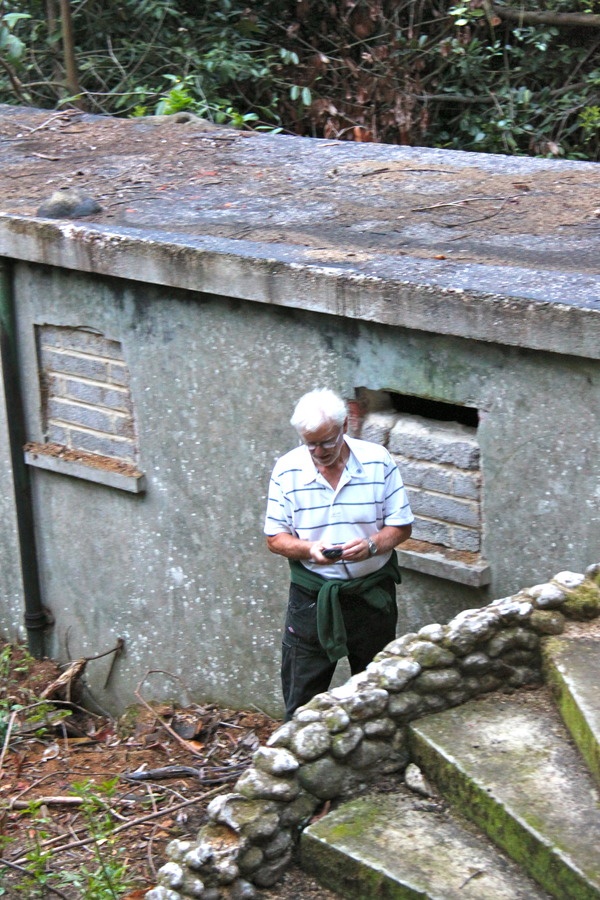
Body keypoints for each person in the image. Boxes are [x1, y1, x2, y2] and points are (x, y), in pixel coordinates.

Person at [264, 388, 414, 720]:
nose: (318, 451)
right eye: (310, 443)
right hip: (312, 597)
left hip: (370, 595)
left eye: (326, 442)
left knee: (376, 691)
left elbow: (402, 527)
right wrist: (309, 549)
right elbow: (274, 538)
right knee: (301, 698)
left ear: (344, 426)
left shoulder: (378, 461)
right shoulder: (287, 470)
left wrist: (373, 545)